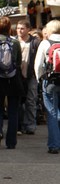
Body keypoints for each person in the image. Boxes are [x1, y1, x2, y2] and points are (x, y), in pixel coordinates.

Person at [0, 17, 23, 149]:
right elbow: (18, 62)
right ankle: (11, 142)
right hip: (13, 79)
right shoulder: (15, 43)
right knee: (13, 110)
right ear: (9, 28)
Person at [34, 20, 60, 154]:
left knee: (52, 113)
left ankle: (54, 145)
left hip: (50, 82)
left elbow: (38, 65)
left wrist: (39, 79)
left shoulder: (46, 43)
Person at [15, 20, 40, 135]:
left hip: (31, 76)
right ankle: (19, 125)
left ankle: (30, 125)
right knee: (18, 101)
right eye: (18, 28)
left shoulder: (35, 42)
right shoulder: (14, 41)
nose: (19, 31)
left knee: (31, 100)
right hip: (17, 76)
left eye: (22, 28)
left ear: (28, 29)